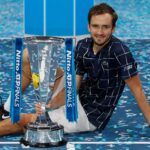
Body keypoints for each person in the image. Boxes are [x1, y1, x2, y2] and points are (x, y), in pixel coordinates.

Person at [0, 3, 150, 136]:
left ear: (113, 28)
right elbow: (74, 87)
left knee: (23, 121)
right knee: (29, 55)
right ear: (89, 27)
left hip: (88, 116)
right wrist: (51, 104)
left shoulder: (120, 52)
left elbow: (138, 91)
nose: (100, 32)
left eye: (105, 27)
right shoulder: (83, 46)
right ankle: (6, 110)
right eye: (96, 26)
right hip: (75, 98)